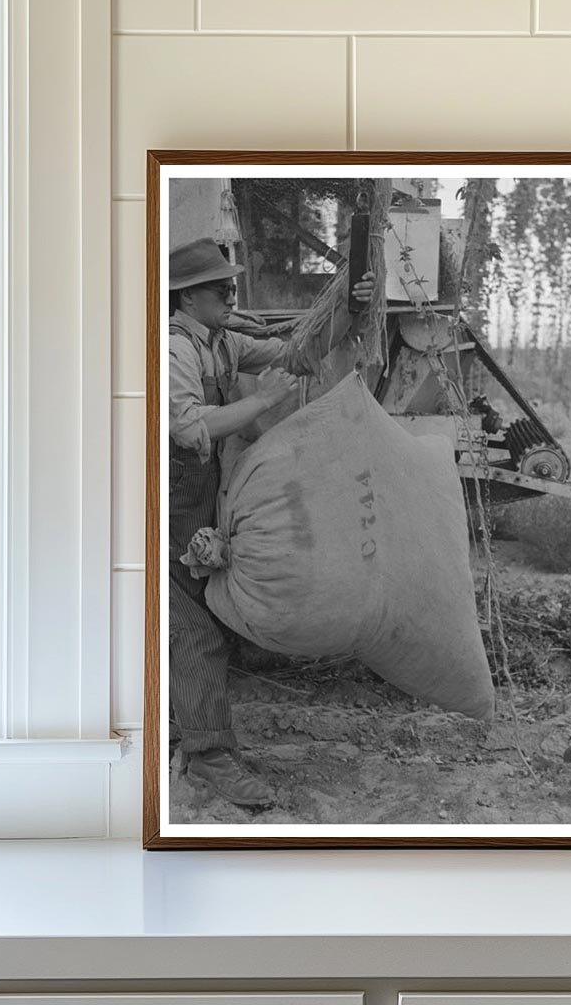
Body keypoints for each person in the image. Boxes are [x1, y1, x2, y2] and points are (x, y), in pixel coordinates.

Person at [167, 236, 374, 808]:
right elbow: (188, 428)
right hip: (159, 502)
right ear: (186, 298)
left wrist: (352, 308)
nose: (232, 293)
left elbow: (293, 354)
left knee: (184, 619)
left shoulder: (220, 341)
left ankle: (175, 727)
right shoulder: (173, 350)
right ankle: (207, 755)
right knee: (196, 628)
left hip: (194, 497)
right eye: (219, 287)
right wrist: (262, 403)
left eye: (231, 284)